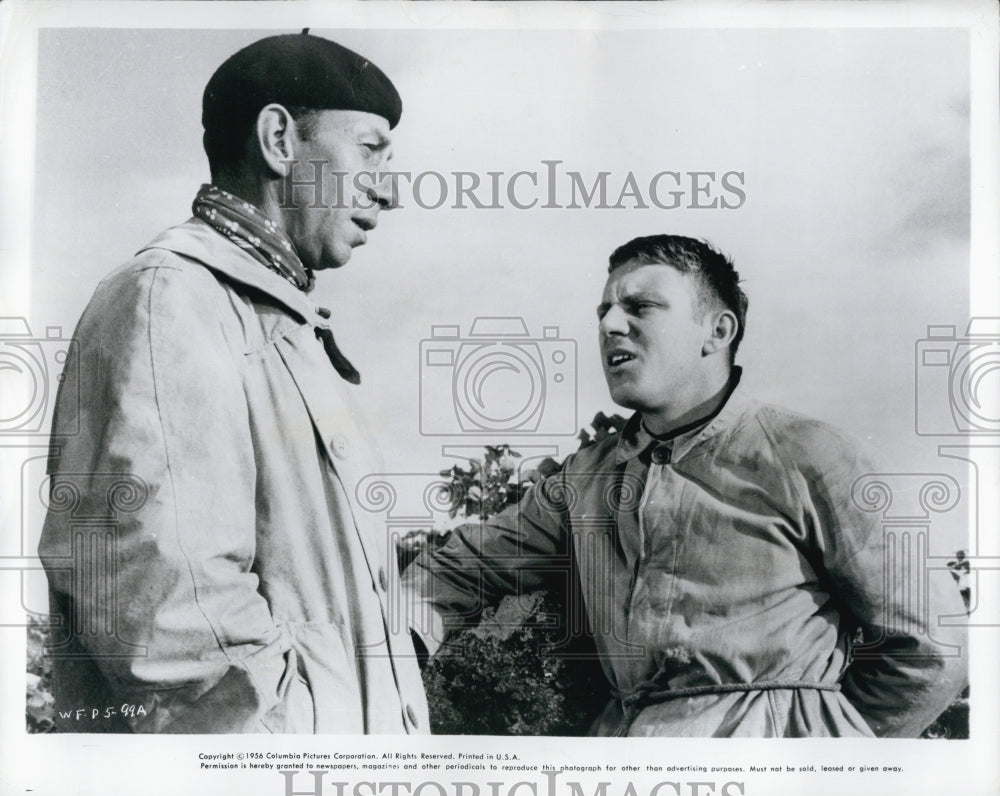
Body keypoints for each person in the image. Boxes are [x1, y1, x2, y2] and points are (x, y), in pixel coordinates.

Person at [403, 235, 968, 737]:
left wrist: (828, 751)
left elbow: (932, 650)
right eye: (603, 311)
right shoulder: (584, 478)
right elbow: (459, 569)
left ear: (717, 331)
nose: (609, 325)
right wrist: (387, 642)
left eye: (640, 306)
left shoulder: (810, 453)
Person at [38, 31, 428, 733]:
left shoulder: (271, 316)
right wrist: (316, 749)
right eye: (371, 151)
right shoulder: (169, 299)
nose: (389, 192)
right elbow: (172, 626)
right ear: (279, 139)